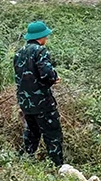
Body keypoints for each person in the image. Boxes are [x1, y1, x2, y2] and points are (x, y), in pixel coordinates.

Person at [14, 21, 64, 167]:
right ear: (41, 36)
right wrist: (54, 78)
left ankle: (26, 162)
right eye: (46, 36)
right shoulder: (41, 51)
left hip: (25, 102)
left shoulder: (19, 53)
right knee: (53, 134)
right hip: (42, 102)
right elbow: (46, 73)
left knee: (31, 133)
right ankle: (57, 166)